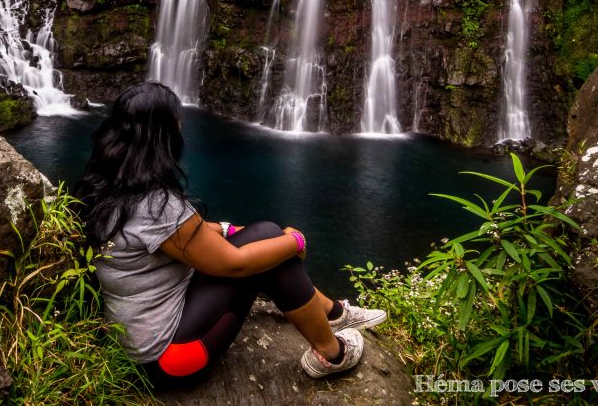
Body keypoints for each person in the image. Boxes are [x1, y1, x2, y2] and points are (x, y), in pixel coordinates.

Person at [73, 82, 386, 388]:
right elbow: (234, 263)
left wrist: (227, 229)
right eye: (177, 122)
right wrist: (296, 241)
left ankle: (332, 313)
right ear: (163, 136)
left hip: (132, 343)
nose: (182, 128)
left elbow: (175, 235)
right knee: (269, 248)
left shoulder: (106, 185)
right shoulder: (157, 205)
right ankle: (331, 353)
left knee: (264, 236)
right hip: (168, 360)